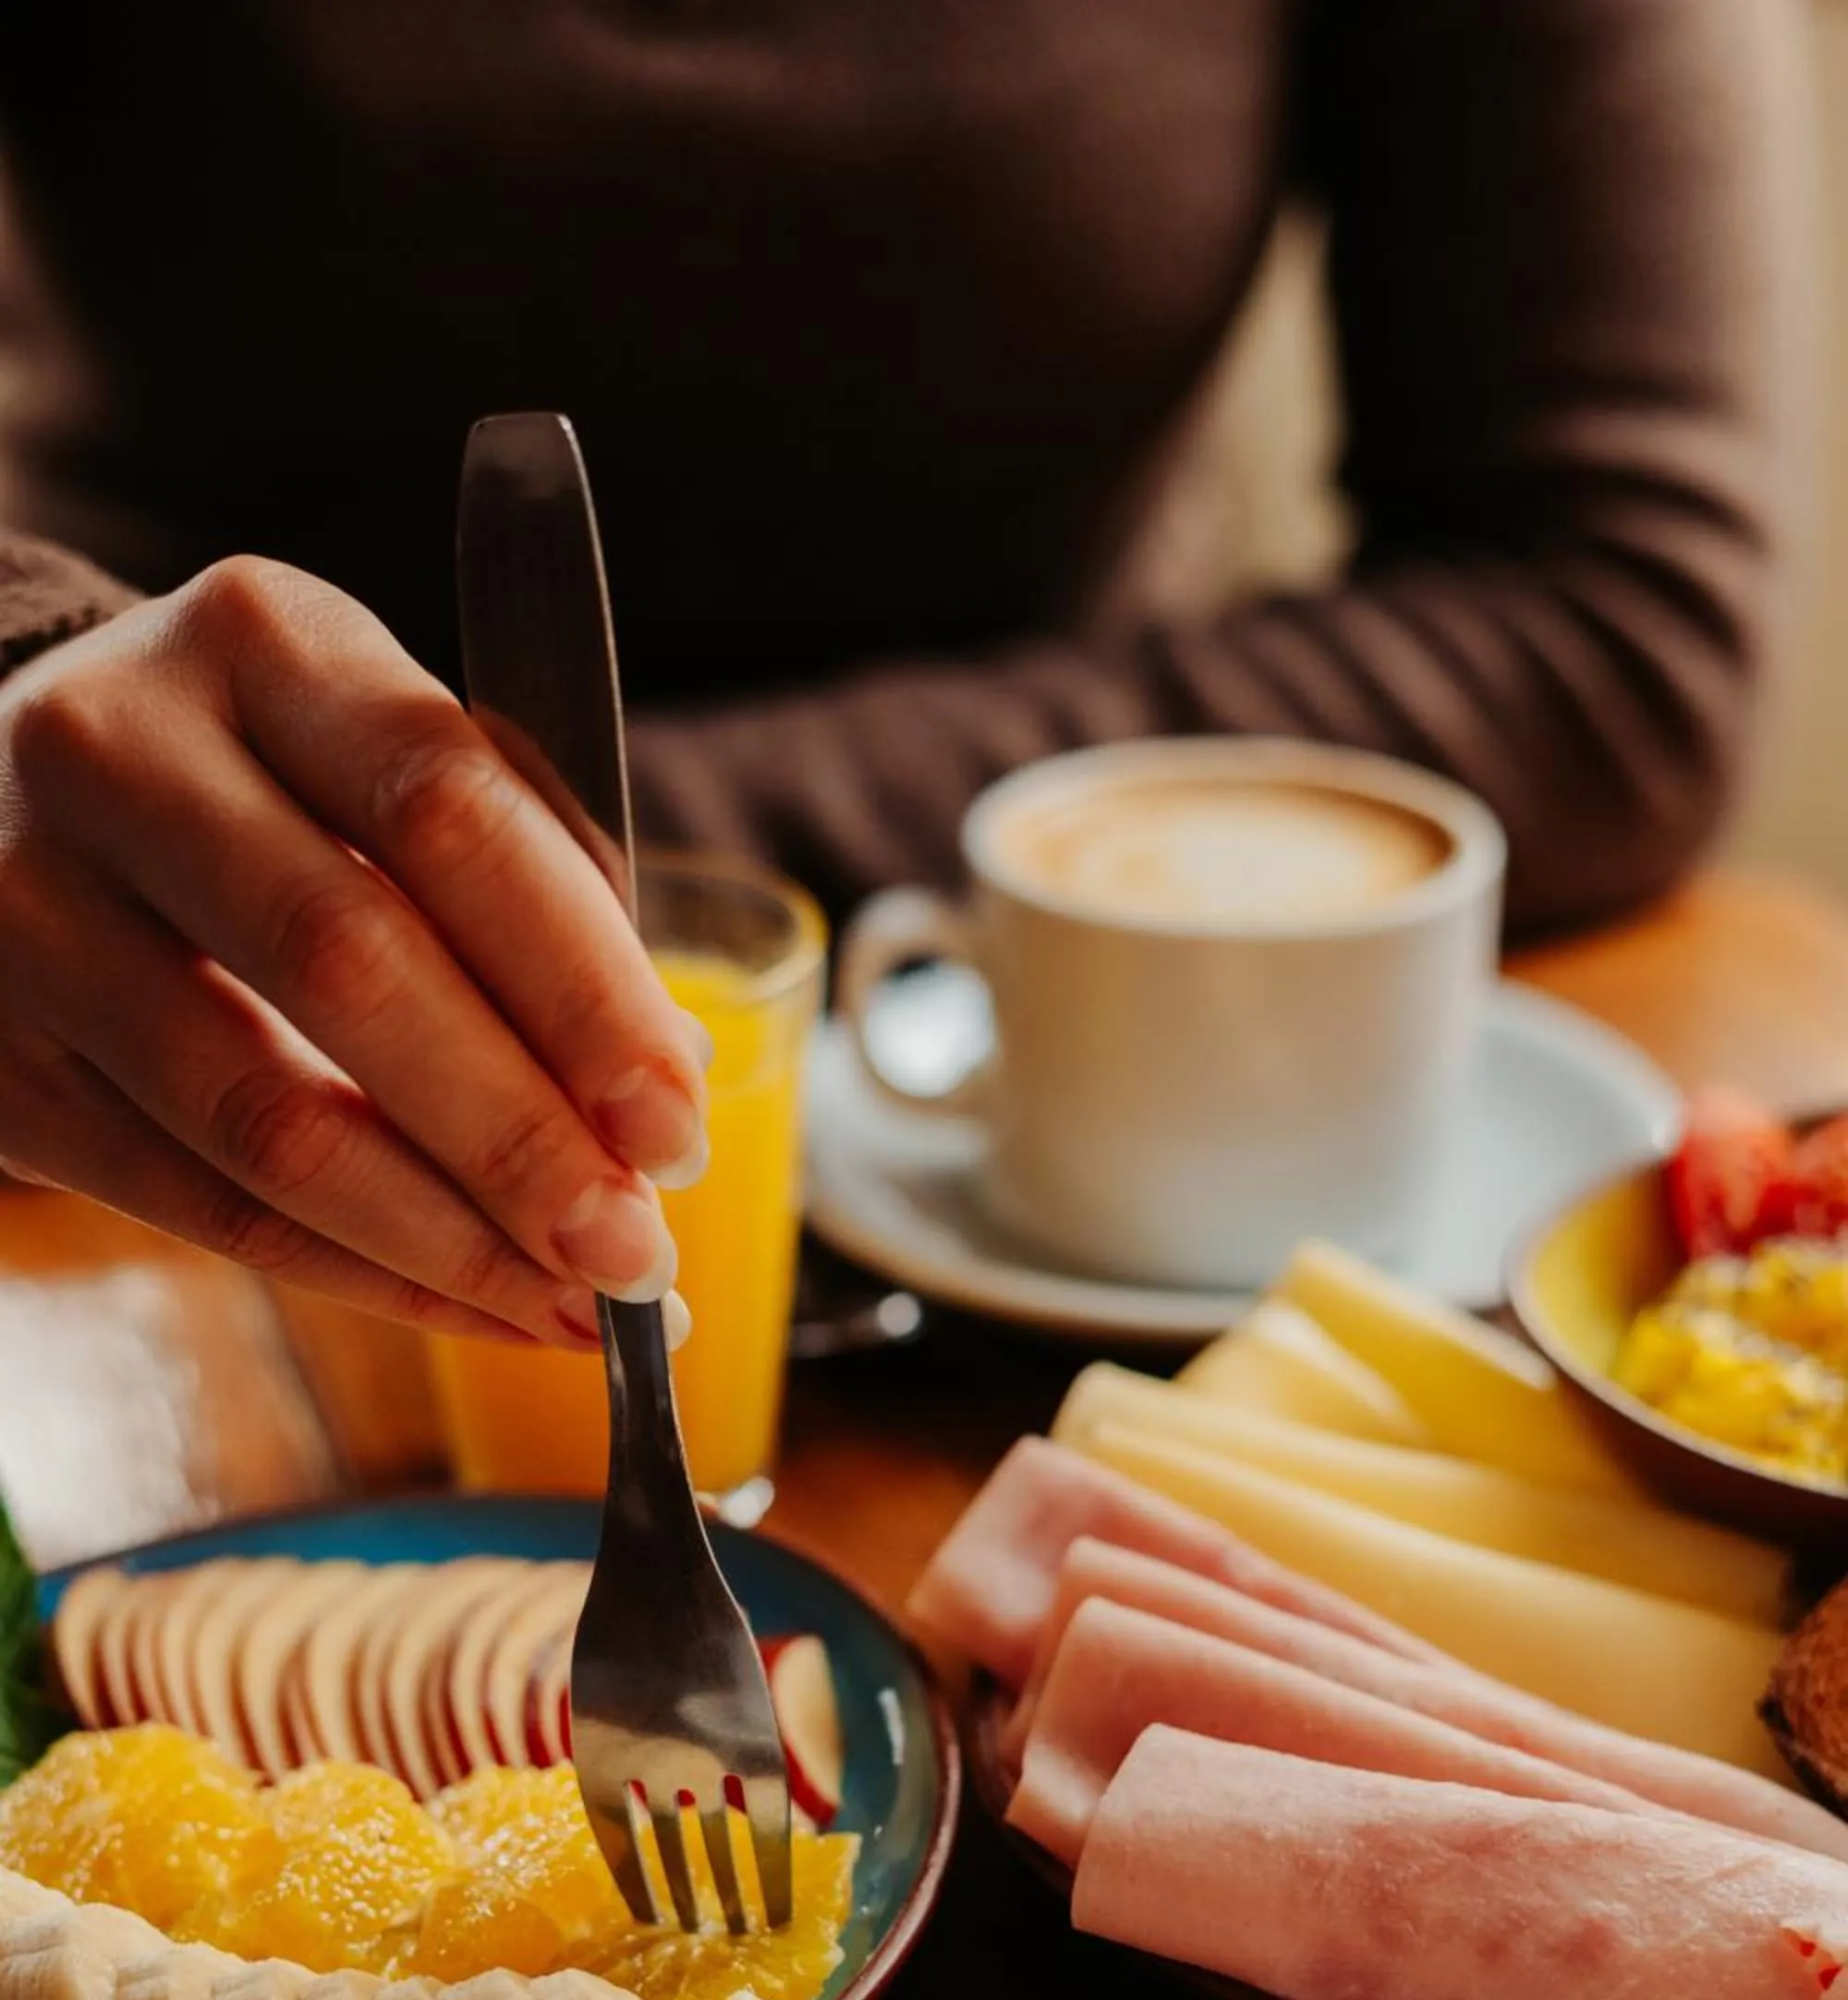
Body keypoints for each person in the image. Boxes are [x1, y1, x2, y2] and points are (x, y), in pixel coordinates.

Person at [0, 2, 1806, 1335]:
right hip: (133, 1100)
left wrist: (488, 889)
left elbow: (1617, 624)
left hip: (1051, 1173)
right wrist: (42, 684)